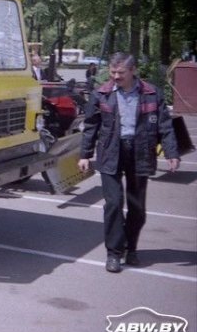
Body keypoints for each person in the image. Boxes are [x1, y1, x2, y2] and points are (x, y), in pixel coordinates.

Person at [77, 52, 180, 273]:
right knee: (113, 204)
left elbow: (165, 127)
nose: (115, 76)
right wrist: (84, 155)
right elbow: (91, 126)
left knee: (137, 208)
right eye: (113, 72)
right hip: (110, 153)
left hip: (140, 153)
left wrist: (172, 154)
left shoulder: (152, 94)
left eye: (120, 73)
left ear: (133, 71)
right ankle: (113, 254)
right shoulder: (101, 94)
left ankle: (130, 248)